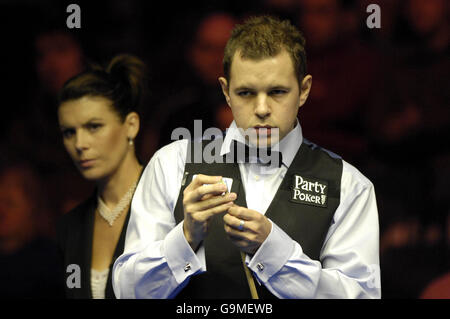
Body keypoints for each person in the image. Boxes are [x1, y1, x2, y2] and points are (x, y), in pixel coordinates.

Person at [112, 15, 380, 299]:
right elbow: (128, 292)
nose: (262, 108)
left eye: (277, 92)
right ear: (226, 92)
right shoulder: (171, 164)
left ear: (304, 90)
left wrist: (275, 253)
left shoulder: (349, 185)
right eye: (245, 93)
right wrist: (185, 238)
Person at [56, 54, 147, 299]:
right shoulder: (70, 228)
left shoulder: (171, 205)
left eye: (93, 126)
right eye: (68, 132)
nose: (79, 143)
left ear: (131, 125)